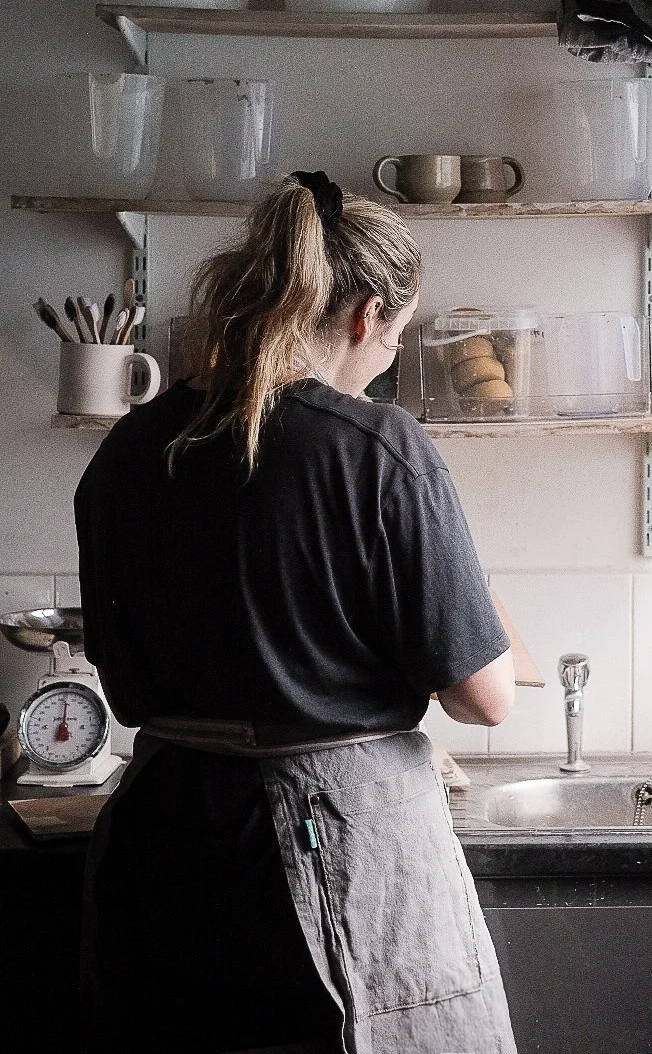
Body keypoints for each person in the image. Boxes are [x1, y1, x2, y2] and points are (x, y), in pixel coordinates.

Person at [75, 170, 519, 1054]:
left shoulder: (128, 449)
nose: (388, 358)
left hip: (163, 840)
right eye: (395, 335)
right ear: (366, 315)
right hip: (335, 854)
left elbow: (121, 680)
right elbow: (486, 696)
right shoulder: (377, 446)